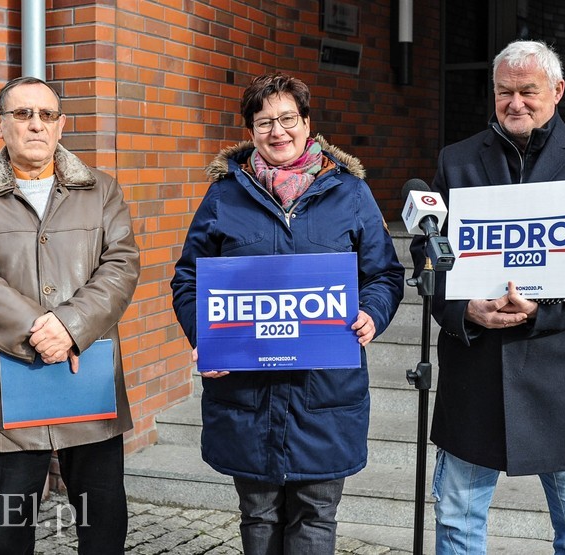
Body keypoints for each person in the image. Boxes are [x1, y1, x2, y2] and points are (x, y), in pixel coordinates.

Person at [410, 40, 565, 554]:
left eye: (528, 91)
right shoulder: (457, 161)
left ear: (557, 91)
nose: (515, 103)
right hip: (474, 374)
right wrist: (463, 309)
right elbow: (427, 253)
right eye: (504, 92)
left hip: (562, 377)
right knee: (457, 527)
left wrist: (546, 312)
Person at [170, 71, 404, 554]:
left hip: (325, 395)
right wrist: (204, 336)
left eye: (287, 119)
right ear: (250, 131)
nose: (277, 131)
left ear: (307, 123)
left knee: (315, 514)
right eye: (264, 122)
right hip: (247, 396)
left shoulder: (350, 193)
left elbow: (384, 274)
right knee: (258, 516)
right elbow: (189, 279)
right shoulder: (224, 195)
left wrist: (372, 313)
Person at [0, 76, 140, 554]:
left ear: (61, 124)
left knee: (103, 524)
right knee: (7, 530)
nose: (36, 124)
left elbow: (121, 264)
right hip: (12, 382)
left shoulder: (101, 191)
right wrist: (39, 329)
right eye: (23, 114)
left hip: (86, 376)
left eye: (47, 115)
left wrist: (70, 325)